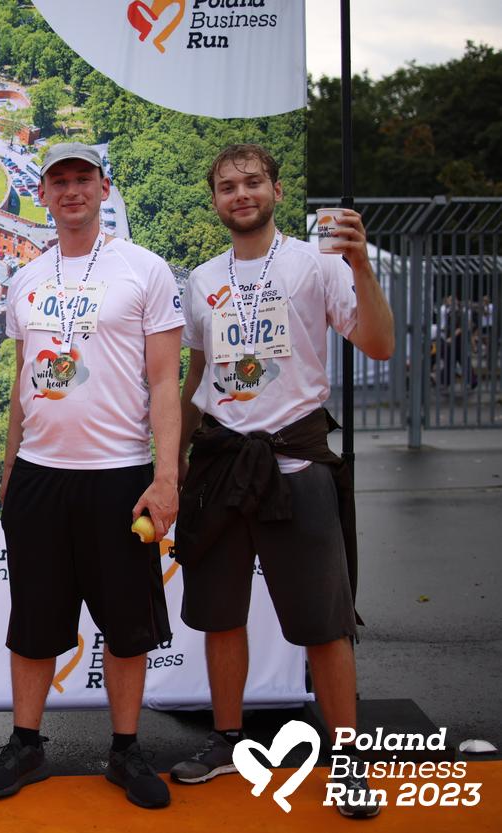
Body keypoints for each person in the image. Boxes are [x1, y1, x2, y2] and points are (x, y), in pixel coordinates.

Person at [172, 144, 394, 819]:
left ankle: (348, 759)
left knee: (325, 625)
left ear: (276, 189)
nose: (240, 194)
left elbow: (380, 344)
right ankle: (226, 738)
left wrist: (361, 265)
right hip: (219, 463)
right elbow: (198, 373)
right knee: (220, 615)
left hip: (295, 460)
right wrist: (173, 461)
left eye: (252, 182)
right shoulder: (201, 279)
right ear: (215, 200)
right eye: (227, 186)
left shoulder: (317, 263)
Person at [0, 143, 184, 810]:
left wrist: (167, 476)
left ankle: (125, 748)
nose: (71, 190)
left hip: (120, 474)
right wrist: (8, 470)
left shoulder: (144, 269)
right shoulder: (26, 279)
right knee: (34, 621)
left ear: (103, 187)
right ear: (42, 193)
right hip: (40, 476)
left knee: (126, 625)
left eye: (82, 179)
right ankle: (26, 743)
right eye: (59, 181)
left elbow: (165, 382)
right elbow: (21, 383)